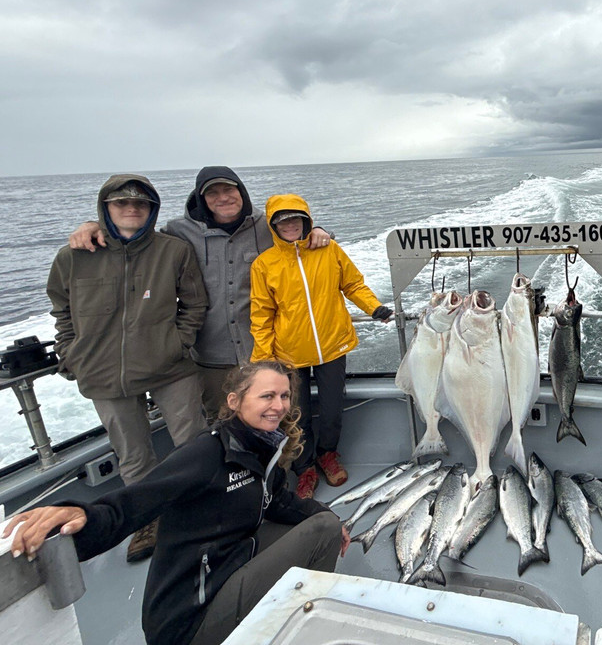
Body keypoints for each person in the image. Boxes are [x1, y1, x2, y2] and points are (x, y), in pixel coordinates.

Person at [2, 361, 347, 645]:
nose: (279, 406)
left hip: (227, 566)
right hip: (189, 621)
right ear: (234, 401)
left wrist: (323, 511)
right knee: (323, 531)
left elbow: (276, 502)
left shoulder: (260, 446)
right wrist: (80, 514)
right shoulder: (205, 455)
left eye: (285, 395)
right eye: (267, 396)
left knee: (317, 523)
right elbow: (133, 505)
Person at [67, 166, 332, 417]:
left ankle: (286, 466)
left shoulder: (266, 227)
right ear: (201, 199)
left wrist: (320, 230)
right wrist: (95, 225)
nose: (223, 198)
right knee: (223, 423)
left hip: (268, 351)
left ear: (242, 192)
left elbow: (298, 232)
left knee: (281, 420)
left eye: (230, 190)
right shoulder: (179, 232)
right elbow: (137, 240)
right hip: (211, 357)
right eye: (213, 193)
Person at [47, 174, 209, 562]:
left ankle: (201, 510)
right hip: (104, 374)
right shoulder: (73, 256)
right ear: (106, 208)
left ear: (153, 210)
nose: (132, 209)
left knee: (194, 442)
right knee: (133, 456)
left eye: (141, 204)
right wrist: (71, 354)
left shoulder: (173, 250)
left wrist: (178, 343)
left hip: (170, 367)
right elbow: (61, 310)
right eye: (122, 203)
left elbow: (195, 304)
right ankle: (146, 521)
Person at [250, 194, 393, 499]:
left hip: (332, 345)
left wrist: (374, 308)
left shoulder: (329, 251)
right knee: (295, 413)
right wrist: (263, 359)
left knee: (332, 409)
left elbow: (353, 284)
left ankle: (328, 454)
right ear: (273, 226)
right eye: (282, 221)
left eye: (295, 219)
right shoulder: (265, 265)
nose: (290, 225)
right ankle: (305, 468)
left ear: (306, 221)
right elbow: (262, 313)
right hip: (289, 353)